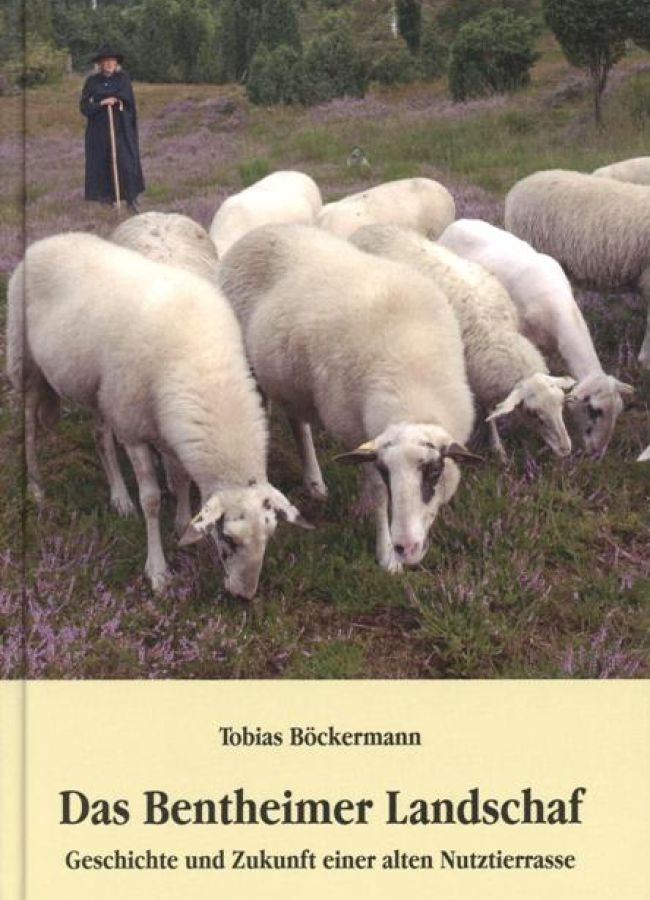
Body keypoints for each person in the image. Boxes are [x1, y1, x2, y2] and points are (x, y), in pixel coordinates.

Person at [80, 45, 145, 212]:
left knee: (126, 161)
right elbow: (85, 107)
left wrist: (116, 100)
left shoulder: (123, 79)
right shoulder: (92, 82)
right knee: (101, 162)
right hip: (99, 130)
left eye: (111, 61)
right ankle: (106, 199)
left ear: (116, 63)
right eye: (105, 61)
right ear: (100, 64)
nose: (108, 64)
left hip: (121, 128)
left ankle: (131, 198)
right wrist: (102, 103)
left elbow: (128, 101)